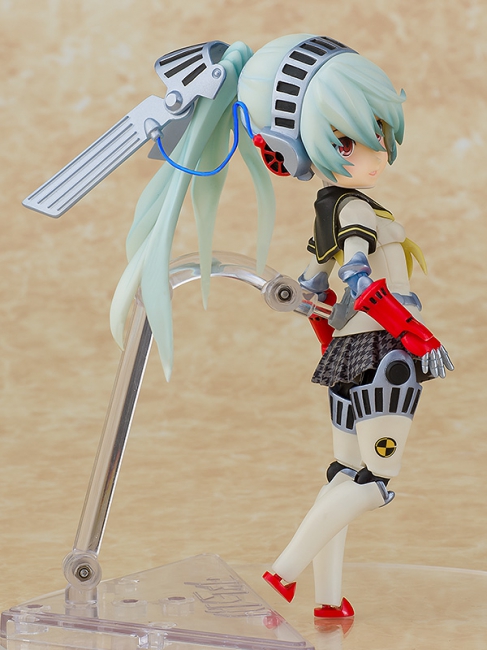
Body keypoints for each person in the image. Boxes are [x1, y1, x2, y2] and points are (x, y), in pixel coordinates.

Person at [109, 33, 453, 617]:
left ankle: (328, 599)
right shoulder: (355, 209)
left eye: (378, 131)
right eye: (348, 140)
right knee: (374, 482)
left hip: (349, 356)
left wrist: (322, 317)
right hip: (385, 351)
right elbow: (359, 281)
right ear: (294, 146)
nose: (376, 152)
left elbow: (315, 285)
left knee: (346, 472)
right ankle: (286, 571)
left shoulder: (330, 208)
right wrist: (419, 338)